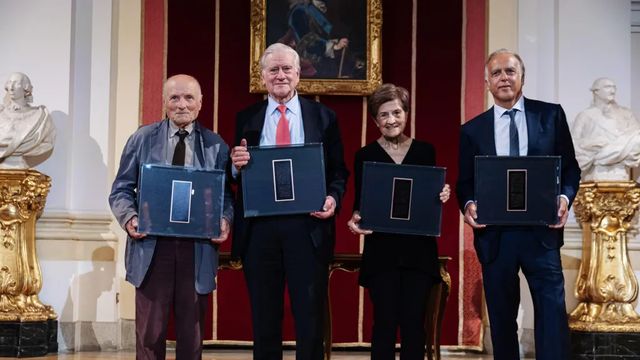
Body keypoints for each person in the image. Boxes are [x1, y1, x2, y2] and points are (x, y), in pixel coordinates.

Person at [455, 49, 581, 359]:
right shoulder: (472, 130)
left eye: (510, 71)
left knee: (551, 314)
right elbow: (465, 182)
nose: (503, 78)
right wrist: (469, 205)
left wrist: (564, 198)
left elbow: (570, 169)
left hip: (542, 232)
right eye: (496, 73)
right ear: (487, 82)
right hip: (496, 236)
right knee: (501, 319)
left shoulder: (551, 116)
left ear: (521, 77)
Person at [230, 43, 348, 360]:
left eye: (286, 69)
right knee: (264, 315)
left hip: (307, 226)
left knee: (309, 315)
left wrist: (332, 198)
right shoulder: (246, 118)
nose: (280, 75)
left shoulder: (324, 117)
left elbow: (339, 171)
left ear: (298, 74)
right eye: (273, 70)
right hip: (260, 229)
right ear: (263, 76)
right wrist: (234, 163)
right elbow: (233, 172)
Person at [109, 74, 233, 359]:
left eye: (189, 98)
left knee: (191, 338)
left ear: (200, 103)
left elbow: (226, 197)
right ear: (164, 102)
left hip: (197, 250)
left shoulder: (216, 145)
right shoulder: (142, 139)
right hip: (152, 247)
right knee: (149, 336)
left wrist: (224, 220)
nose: (181, 104)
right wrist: (130, 218)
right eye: (174, 98)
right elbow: (121, 190)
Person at [346, 83, 450, 360]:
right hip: (382, 253)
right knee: (384, 323)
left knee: (415, 325)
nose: (391, 120)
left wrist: (442, 193)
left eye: (396, 112)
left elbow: (430, 196)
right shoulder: (365, 156)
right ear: (374, 120)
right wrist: (355, 220)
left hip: (418, 252)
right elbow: (361, 205)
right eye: (383, 115)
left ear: (406, 113)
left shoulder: (425, 151)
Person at [571, 77, 640, 181]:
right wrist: (592, 143)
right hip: (595, 173)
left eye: (614, 87)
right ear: (596, 91)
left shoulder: (626, 113)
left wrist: (608, 146)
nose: (612, 90)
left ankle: (608, 152)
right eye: (608, 87)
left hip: (621, 171)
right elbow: (573, 143)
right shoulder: (585, 115)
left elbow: (636, 137)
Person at [279, 0, 350, 78]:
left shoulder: (327, 8)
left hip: (327, 62)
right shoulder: (299, 11)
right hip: (310, 67)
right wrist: (334, 47)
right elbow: (306, 42)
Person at [0, 72, 56, 169]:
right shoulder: (1, 113)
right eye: (9, 83)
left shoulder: (40, 116)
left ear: (26, 88)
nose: (11, 87)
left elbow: (47, 143)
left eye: (16, 83)